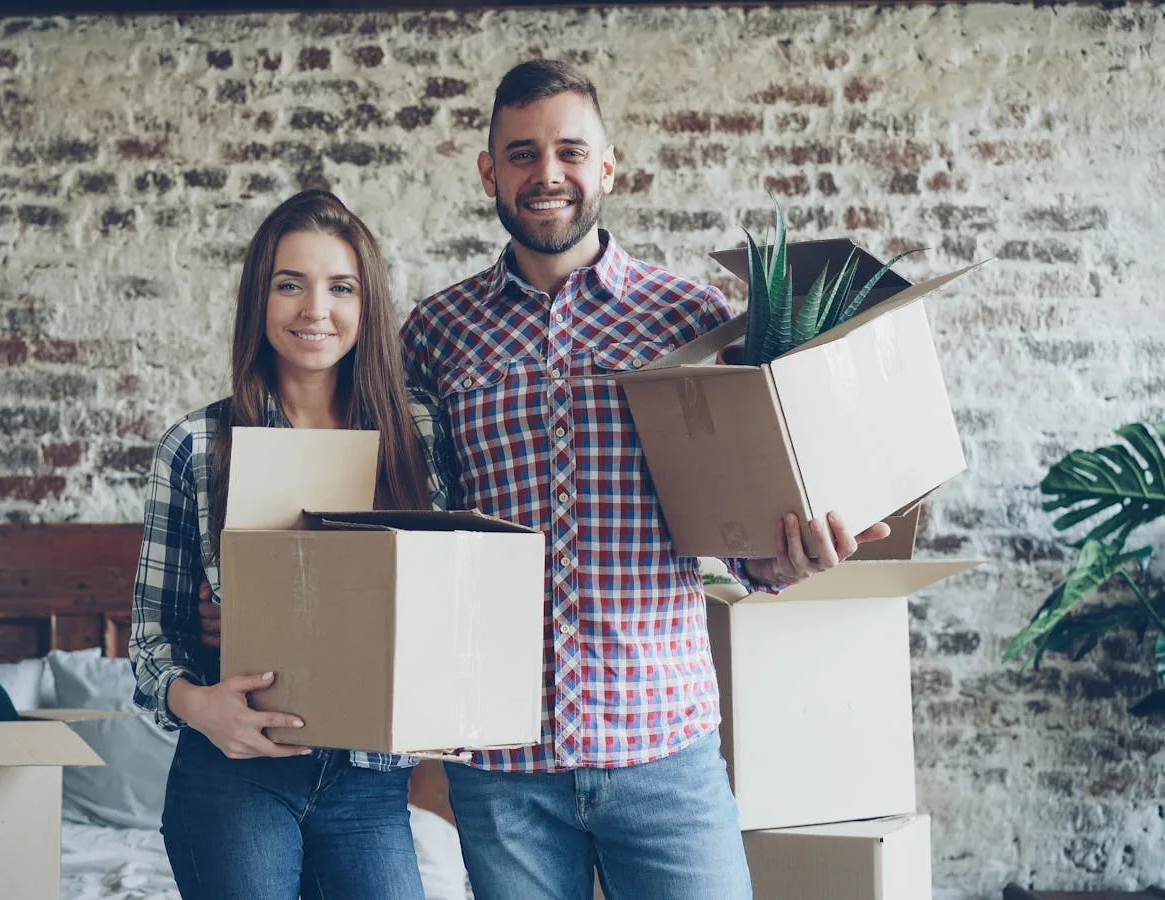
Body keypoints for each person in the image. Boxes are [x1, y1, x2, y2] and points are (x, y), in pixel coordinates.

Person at [391, 59, 892, 900]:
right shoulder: (434, 335)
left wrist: (784, 559)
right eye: (521, 154)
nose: (547, 174)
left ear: (608, 166)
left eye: (570, 152)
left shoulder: (690, 318)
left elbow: (733, 528)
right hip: (502, 763)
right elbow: (413, 527)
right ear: (489, 172)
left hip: (664, 743)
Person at [129, 189, 456, 900]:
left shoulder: (424, 434)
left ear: (366, 305)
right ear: (259, 300)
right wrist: (195, 703)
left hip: (370, 785)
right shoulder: (196, 448)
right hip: (235, 775)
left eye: (341, 287)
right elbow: (153, 637)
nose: (316, 310)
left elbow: (457, 594)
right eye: (290, 285)